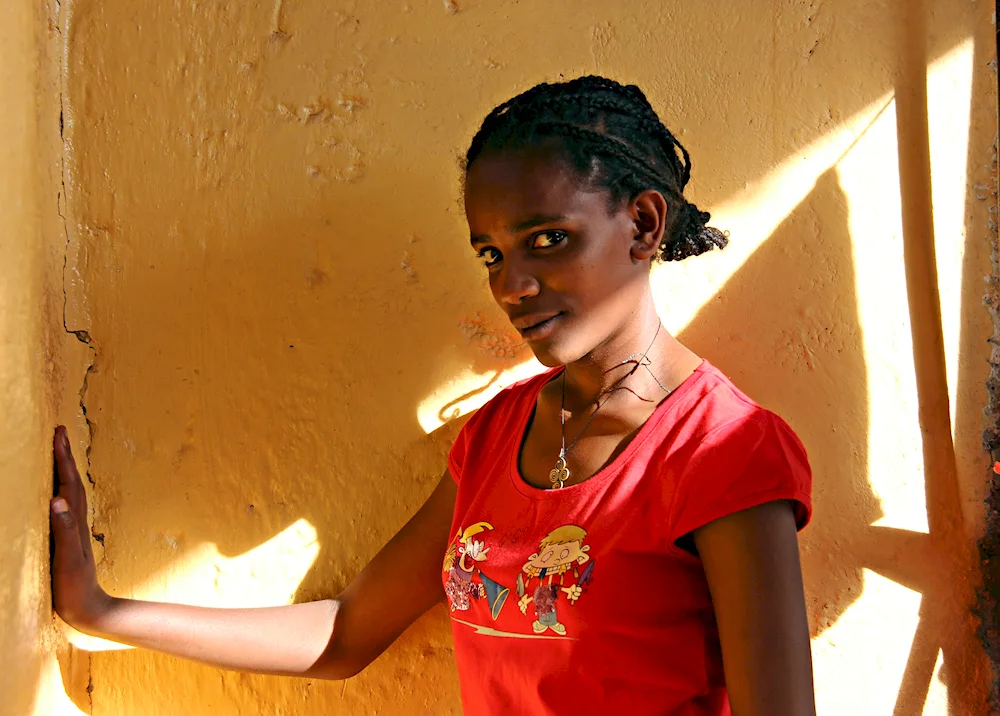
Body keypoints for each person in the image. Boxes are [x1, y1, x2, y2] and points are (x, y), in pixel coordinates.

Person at [50, 75, 816, 715]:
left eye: (548, 238)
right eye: (492, 252)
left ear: (643, 225)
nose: (512, 286)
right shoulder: (495, 436)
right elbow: (348, 634)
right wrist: (102, 610)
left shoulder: (723, 451)